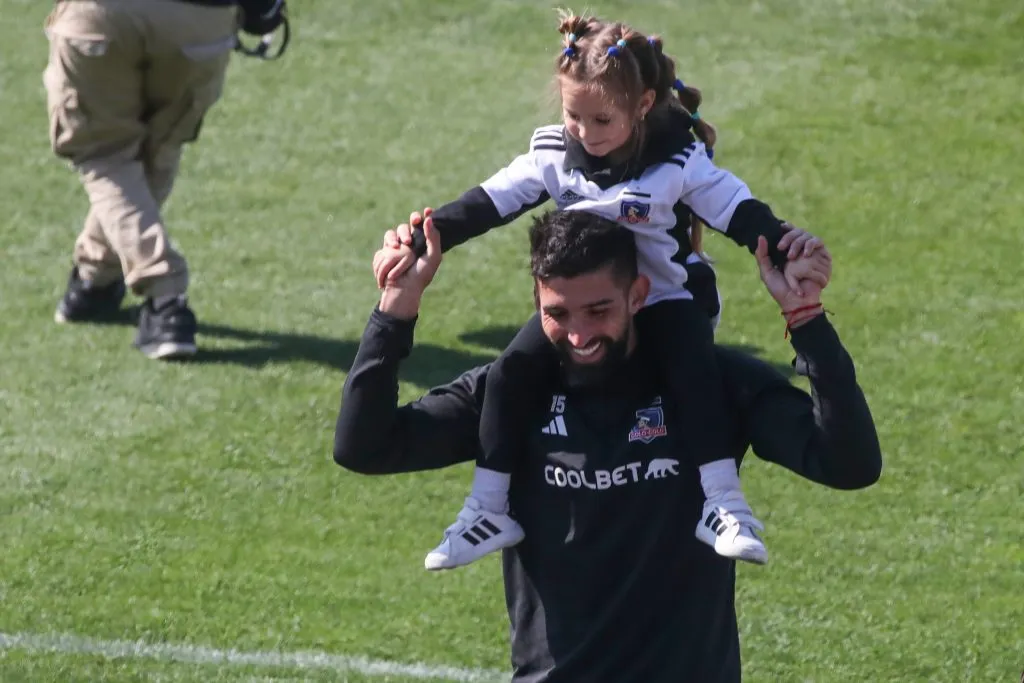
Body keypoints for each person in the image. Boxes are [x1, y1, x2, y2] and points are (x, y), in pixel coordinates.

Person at [337, 209, 881, 682]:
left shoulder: (710, 385)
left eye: (599, 310)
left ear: (638, 293)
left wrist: (806, 321)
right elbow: (364, 447)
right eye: (557, 314)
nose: (579, 335)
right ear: (536, 300)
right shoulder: (511, 394)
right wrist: (395, 311)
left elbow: (849, 462)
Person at [375, 11, 830, 570]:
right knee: (511, 372)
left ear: (643, 105)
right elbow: (482, 205)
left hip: (669, 299)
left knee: (692, 370)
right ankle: (487, 508)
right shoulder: (551, 155)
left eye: (601, 119)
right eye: (574, 116)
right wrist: (419, 239)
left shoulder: (680, 163)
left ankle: (724, 504)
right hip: (591, 309)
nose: (585, 134)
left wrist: (790, 246)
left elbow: (742, 213)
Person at [43, 0, 287, 359]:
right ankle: (95, 278)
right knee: (157, 149)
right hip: (199, 24)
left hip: (103, 16)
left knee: (106, 154)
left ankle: (165, 296)